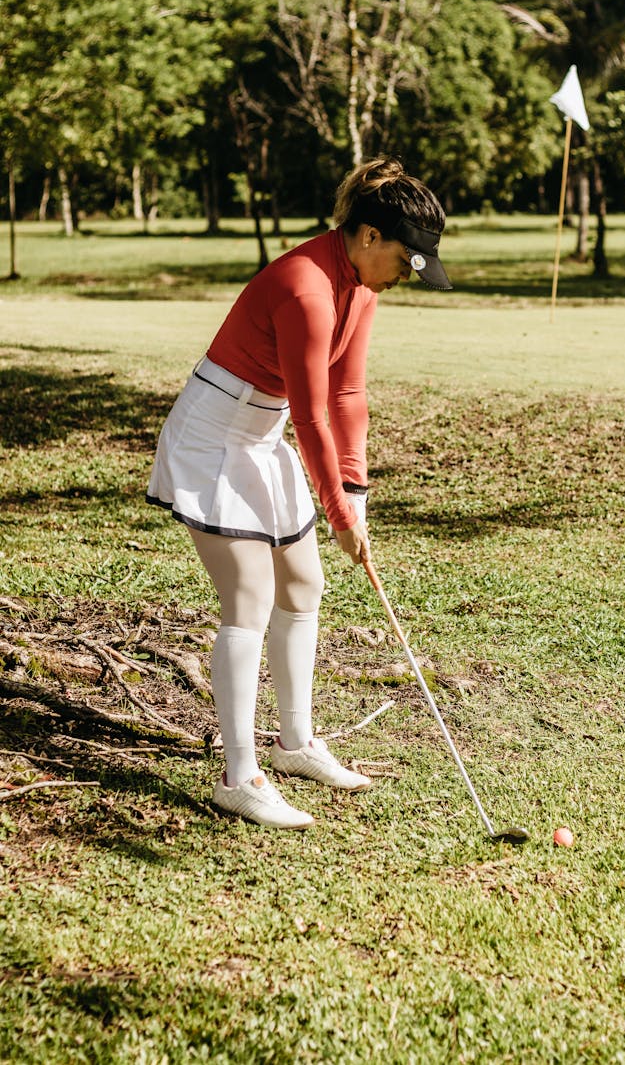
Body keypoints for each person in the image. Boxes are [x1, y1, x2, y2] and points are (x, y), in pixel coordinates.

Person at [146, 156, 452, 830]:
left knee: (304, 583)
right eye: (406, 259)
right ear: (369, 237)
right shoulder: (307, 288)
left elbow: (348, 394)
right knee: (249, 595)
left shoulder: (362, 288)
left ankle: (294, 743)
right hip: (214, 433)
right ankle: (240, 773)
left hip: (262, 433)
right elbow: (312, 412)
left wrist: (356, 487)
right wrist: (336, 510)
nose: (407, 275)